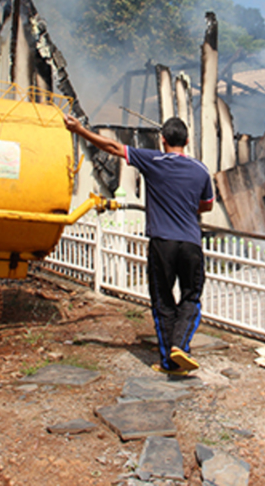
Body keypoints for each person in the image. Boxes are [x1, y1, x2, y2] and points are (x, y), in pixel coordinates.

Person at [62, 113, 215, 375]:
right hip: (191, 244)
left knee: (163, 301)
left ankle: (170, 359)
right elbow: (207, 205)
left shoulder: (152, 159)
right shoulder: (201, 170)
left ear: (162, 140)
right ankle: (180, 347)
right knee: (191, 297)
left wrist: (80, 130)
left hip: (161, 243)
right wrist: (187, 205)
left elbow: (112, 147)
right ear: (187, 140)